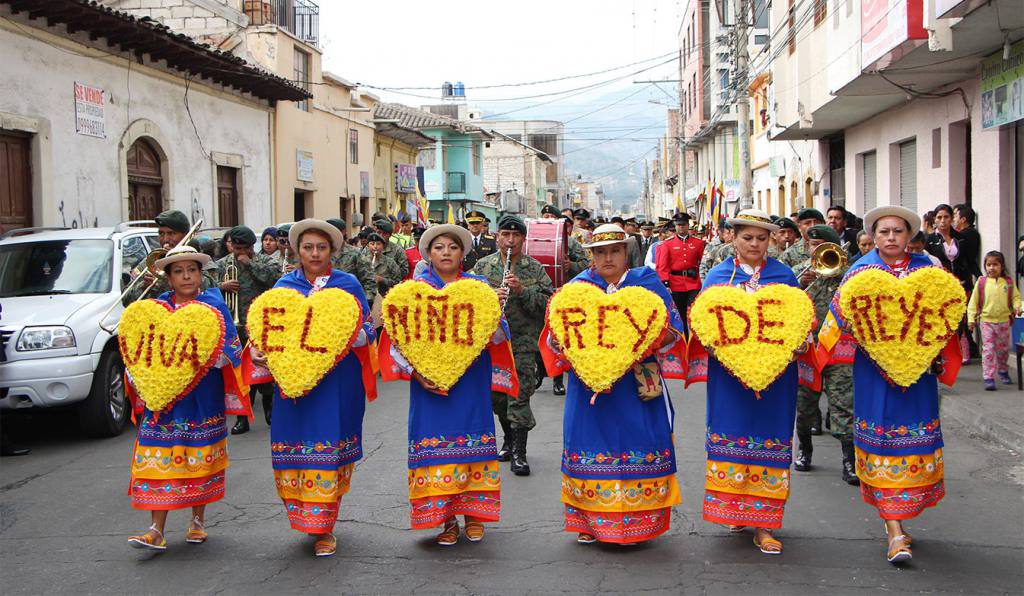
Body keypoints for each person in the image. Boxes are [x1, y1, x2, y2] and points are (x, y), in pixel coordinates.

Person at [539, 223, 685, 545]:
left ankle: (639, 523)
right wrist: (560, 342)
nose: (608, 258)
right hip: (589, 385)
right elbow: (554, 336)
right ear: (591, 256)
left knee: (641, 440)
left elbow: (675, 330)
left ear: (626, 252)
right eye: (600, 252)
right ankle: (588, 522)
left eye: (615, 251)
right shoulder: (576, 289)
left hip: (636, 382)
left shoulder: (648, 284)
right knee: (589, 442)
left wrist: (652, 340)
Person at [380, 224, 517, 545]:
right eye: (439, 247)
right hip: (429, 388)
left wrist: (491, 314)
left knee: (473, 446)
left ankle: (474, 515)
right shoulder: (412, 291)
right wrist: (419, 372)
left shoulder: (480, 288)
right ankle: (446, 521)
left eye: (452, 247)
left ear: (463, 254)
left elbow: (500, 336)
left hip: (470, 382)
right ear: (428, 254)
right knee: (436, 449)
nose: (446, 253)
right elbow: (397, 341)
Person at [828, 206, 947, 564]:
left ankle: (899, 521)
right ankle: (894, 529)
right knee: (881, 439)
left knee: (913, 440)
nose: (891, 237)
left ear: (909, 236)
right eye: (884, 232)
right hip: (874, 373)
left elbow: (946, 315)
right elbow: (838, 318)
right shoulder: (860, 271)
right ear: (873, 237)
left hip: (918, 375)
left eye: (898, 231)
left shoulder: (929, 269)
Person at [252, 219, 376, 557]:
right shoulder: (283, 285)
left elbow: (367, 328)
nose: (315, 253)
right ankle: (308, 517)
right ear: (296, 250)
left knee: (329, 449)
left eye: (321, 247)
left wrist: (351, 336)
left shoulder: (347, 284)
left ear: (332, 250)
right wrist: (260, 351)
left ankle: (325, 527)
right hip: (293, 385)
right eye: (308, 247)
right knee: (296, 449)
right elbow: (267, 331)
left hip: (337, 382)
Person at [126, 246, 249, 551]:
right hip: (163, 400)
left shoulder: (213, 307)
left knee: (199, 458)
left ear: (200, 274)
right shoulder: (155, 308)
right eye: (178, 271)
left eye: (191, 270)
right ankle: (156, 528)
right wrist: (138, 375)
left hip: (202, 395)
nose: (186, 277)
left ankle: (197, 521)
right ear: (168, 278)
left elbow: (232, 346)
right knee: (158, 458)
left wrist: (212, 356)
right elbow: (139, 347)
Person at [699, 209, 804, 555]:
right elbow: (704, 324)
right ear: (733, 238)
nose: (755, 244)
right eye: (748, 237)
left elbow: (798, 322)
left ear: (771, 240)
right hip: (729, 377)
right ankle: (737, 509)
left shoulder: (784, 276)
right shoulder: (718, 277)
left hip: (776, 378)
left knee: (769, 438)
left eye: (762, 237)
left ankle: (766, 523)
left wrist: (798, 341)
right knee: (734, 437)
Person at [472, 215, 553, 476]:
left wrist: (522, 292)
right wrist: (488, 297)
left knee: (518, 397)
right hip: (493, 344)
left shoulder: (534, 268)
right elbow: (467, 303)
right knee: (497, 398)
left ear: (523, 239)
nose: (510, 240)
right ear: (497, 237)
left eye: (516, 235)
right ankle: (508, 439)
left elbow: (547, 305)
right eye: (505, 235)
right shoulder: (482, 267)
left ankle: (520, 453)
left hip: (523, 343)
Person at [791, 225, 857, 485]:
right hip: (807, 350)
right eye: (811, 245)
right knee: (805, 405)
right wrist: (799, 286)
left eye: (821, 246)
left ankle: (849, 460)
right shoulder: (799, 273)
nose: (815, 250)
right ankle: (805, 450)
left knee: (843, 404)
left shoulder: (849, 276)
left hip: (838, 350)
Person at [216, 226, 281, 434]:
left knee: (263, 368)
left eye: (245, 248)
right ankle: (242, 417)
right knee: (239, 374)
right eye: (237, 248)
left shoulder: (264, 260)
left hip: (260, 323)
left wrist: (250, 265)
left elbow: (274, 280)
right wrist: (221, 286)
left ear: (252, 246)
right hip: (233, 324)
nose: (240, 252)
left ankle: (269, 409)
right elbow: (206, 286)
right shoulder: (223, 264)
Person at [122, 209, 216, 306]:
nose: (165, 239)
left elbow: (212, 290)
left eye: (171, 233)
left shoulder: (200, 260)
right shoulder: (150, 262)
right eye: (161, 234)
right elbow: (125, 301)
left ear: (186, 235)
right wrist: (143, 286)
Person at [925, 204, 976, 360]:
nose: (943, 221)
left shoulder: (961, 238)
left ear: (952, 219)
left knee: (959, 321)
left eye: (946, 217)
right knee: (941, 321)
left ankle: (956, 353)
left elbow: (970, 260)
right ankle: (939, 354)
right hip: (940, 287)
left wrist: (980, 277)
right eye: (939, 217)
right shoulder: (930, 240)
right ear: (934, 219)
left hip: (961, 284)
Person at [967, 251, 1022, 390]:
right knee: (988, 350)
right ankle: (988, 377)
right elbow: (973, 302)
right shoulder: (982, 282)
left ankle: (1003, 370)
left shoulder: (1008, 282)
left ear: (1002, 266)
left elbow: (1015, 297)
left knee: (1002, 350)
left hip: (1004, 321)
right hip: (986, 321)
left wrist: (1017, 307)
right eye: (988, 264)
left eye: (995, 264)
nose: (991, 268)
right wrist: (971, 319)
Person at [656, 213, 705, 331]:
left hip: (694, 282)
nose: (681, 227)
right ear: (675, 226)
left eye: (683, 225)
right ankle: (683, 339)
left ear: (688, 226)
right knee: (680, 314)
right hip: (675, 283)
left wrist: (702, 278)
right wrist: (665, 283)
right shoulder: (667, 244)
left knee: (694, 312)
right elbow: (662, 266)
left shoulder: (698, 243)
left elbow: (703, 262)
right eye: (678, 225)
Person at [327, 218, 377, 304]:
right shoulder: (323, 254)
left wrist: (366, 302)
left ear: (342, 232)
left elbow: (369, 280)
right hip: (327, 305)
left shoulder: (355, 254)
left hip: (351, 305)